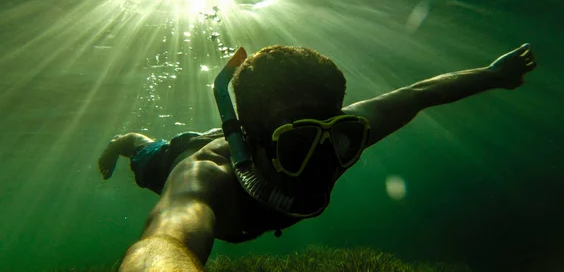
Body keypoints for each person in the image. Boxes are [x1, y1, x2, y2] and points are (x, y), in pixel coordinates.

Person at [99, 43, 536, 271]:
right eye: (297, 145)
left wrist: (495, 74)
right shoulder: (204, 176)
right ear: (252, 142)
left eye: (338, 136)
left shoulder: (346, 130)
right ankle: (126, 139)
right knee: (145, 154)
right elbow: (165, 241)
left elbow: (420, 93)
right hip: (182, 150)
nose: (324, 159)